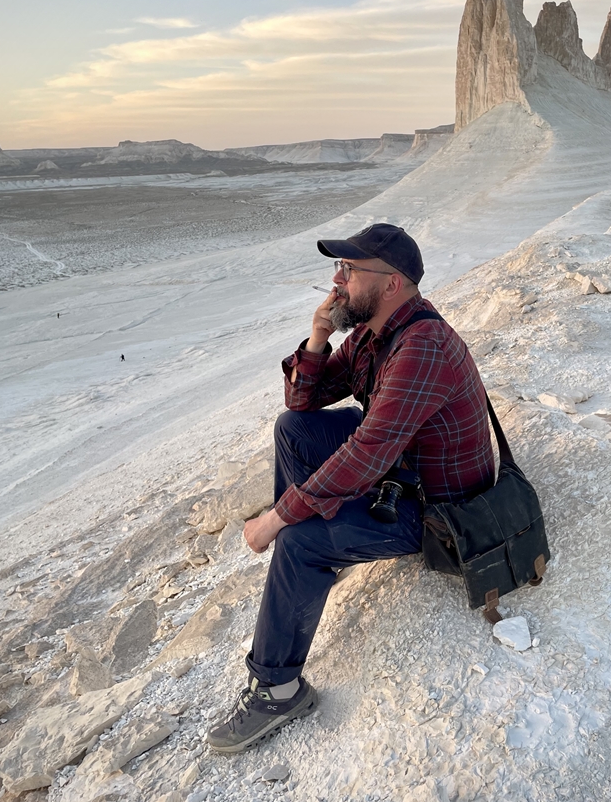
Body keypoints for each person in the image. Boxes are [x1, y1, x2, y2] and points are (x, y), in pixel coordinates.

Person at [207, 223, 495, 753]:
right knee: (291, 430)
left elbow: (367, 455)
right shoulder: (371, 332)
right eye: (337, 268)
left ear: (391, 285)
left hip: (437, 508)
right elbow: (303, 405)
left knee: (297, 539)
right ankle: (320, 558)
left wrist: (280, 518)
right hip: (399, 467)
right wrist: (319, 336)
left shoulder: (422, 346)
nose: (337, 282)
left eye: (349, 270)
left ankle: (278, 689)